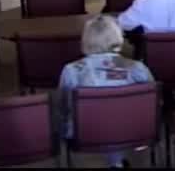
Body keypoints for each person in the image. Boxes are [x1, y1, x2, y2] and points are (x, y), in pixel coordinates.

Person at [58, 15, 154, 168]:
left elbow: (63, 107)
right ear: (118, 38)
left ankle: (115, 162)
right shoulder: (137, 68)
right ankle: (117, 163)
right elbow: (152, 103)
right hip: (131, 131)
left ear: (86, 40)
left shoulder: (71, 70)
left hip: (85, 133)